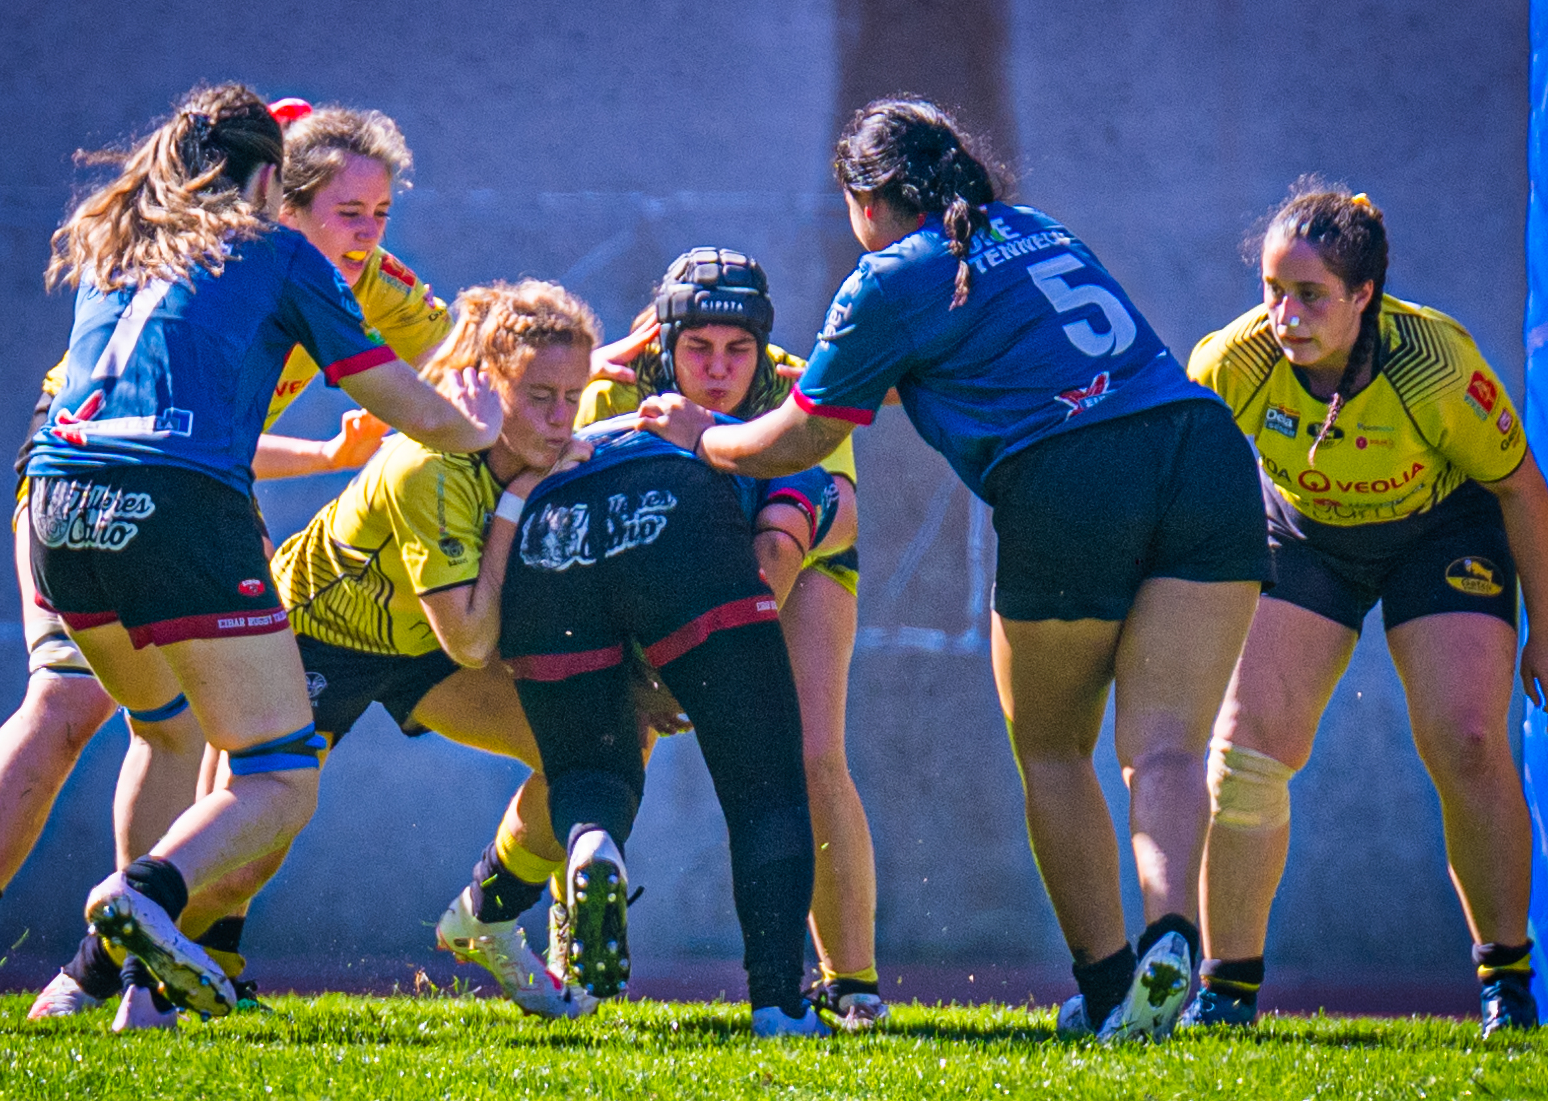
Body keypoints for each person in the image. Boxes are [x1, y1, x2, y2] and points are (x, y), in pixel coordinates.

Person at [638, 97, 1271, 1043]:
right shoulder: (1034, 228)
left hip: (1072, 474)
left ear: (864, 197)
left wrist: (710, 436)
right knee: (1168, 746)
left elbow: (805, 431)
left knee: (1054, 747)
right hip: (1205, 454)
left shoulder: (888, 276)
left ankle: (1108, 991)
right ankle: (1173, 932)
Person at [0, 82, 498, 1025]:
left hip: (57, 507)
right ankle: (137, 898)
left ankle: (106, 988)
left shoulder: (122, 243)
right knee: (277, 770)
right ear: (275, 179)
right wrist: (475, 431)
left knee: (166, 729)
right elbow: (396, 393)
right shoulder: (282, 254)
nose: (362, 230)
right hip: (177, 507)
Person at [1182, 181, 1548, 1037]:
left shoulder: (1434, 365)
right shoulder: (1234, 361)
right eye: (1272, 291)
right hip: (1306, 532)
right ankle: (1226, 994)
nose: (1285, 316)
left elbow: (1519, 486)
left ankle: (1505, 985)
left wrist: (1547, 631)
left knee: (1469, 741)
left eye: (1311, 295)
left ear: (1364, 296)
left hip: (1439, 531)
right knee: (1244, 754)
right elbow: (1187, 486)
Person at [511, 247, 886, 1029]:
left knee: (811, 751)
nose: (719, 368)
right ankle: (573, 948)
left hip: (792, 545)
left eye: (737, 350)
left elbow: (833, 512)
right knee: (606, 742)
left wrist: (705, 668)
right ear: (665, 346)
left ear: (763, 348)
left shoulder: (797, 382)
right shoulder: (615, 384)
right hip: (659, 561)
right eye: (698, 350)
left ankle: (852, 981)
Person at [471, 400, 842, 1038]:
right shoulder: (775, 433)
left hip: (542, 529)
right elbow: (780, 546)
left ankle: (591, 844)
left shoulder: (589, 416)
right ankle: (779, 1005)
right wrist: (701, 671)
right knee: (766, 782)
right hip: (682, 522)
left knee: (590, 769)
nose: (719, 371)